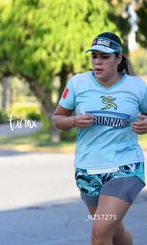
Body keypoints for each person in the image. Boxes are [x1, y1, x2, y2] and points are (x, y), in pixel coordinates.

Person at [52, 32, 147, 245]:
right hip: (88, 169)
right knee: (114, 233)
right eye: (94, 56)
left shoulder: (137, 87)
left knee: (100, 232)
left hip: (126, 167)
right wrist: (74, 121)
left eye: (104, 56)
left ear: (119, 58)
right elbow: (57, 119)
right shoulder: (78, 84)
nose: (98, 61)